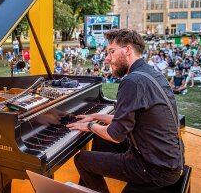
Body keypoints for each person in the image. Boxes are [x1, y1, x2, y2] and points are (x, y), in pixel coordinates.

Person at [67, 29, 183, 193]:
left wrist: (90, 126)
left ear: (128, 50)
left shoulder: (132, 81)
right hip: (168, 160)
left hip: (154, 169)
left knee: (82, 159)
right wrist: (97, 116)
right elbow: (131, 120)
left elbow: (115, 135)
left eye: (111, 52)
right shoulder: (150, 73)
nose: (107, 58)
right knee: (100, 141)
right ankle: (85, 188)